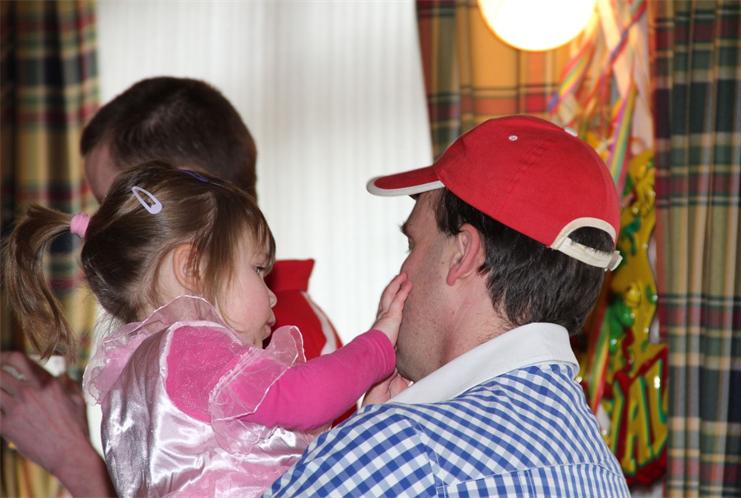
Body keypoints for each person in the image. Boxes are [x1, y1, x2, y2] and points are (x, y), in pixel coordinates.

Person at [0, 77, 349, 497]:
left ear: (192, 192)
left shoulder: (283, 341)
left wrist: (72, 459)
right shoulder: (172, 342)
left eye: (123, 204)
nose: (104, 233)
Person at [266, 115, 631, 496]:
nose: (403, 269)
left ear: (462, 254)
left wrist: (363, 437)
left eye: (412, 244)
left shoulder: (403, 451)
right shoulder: (601, 468)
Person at [3, 163, 411, 497]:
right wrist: (378, 345)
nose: (272, 296)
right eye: (257, 269)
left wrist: (367, 421)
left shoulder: (132, 375)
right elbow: (302, 399)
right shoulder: (188, 346)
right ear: (193, 268)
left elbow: (287, 459)